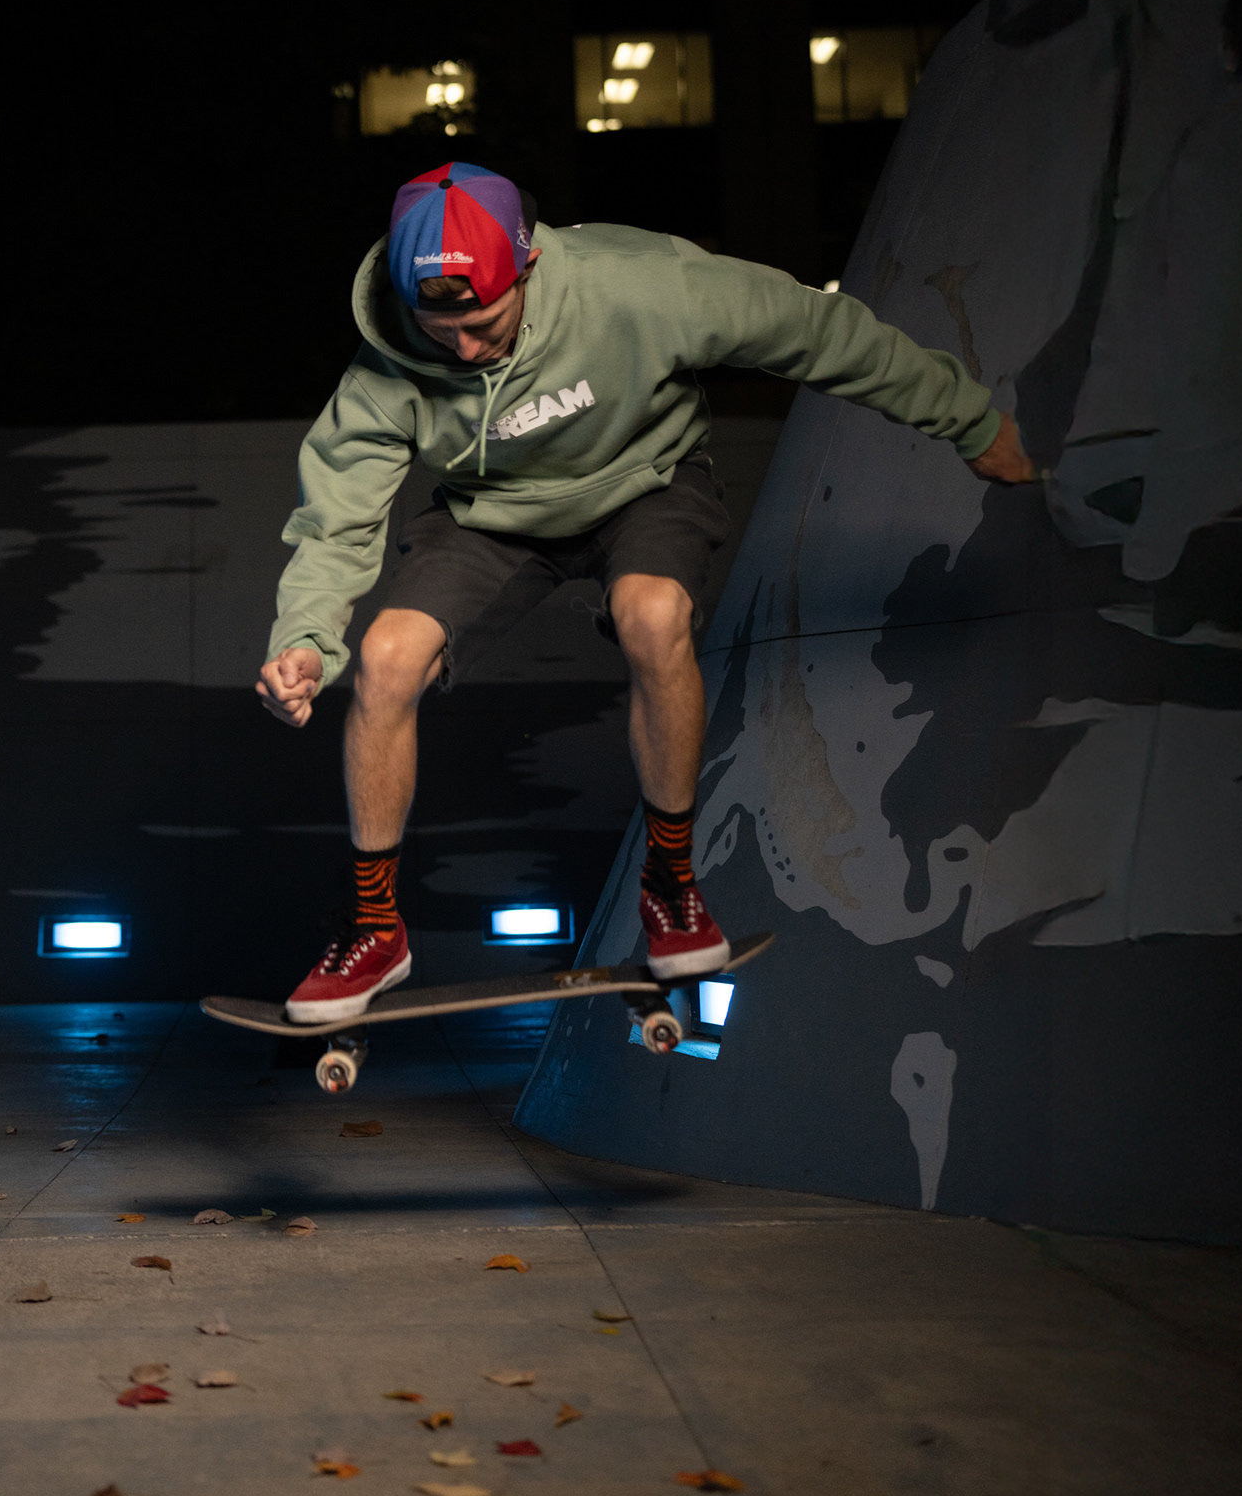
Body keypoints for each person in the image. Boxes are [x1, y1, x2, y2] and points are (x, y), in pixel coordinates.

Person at [256, 160, 1035, 1023]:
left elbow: (817, 331)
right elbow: (336, 516)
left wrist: (967, 419)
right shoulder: (385, 367)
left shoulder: (642, 284)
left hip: (648, 483)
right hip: (491, 515)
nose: (466, 350)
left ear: (528, 266)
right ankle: (375, 927)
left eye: (483, 324)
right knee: (384, 657)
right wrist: (304, 637)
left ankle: (670, 882)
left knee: (652, 614)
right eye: (441, 331)